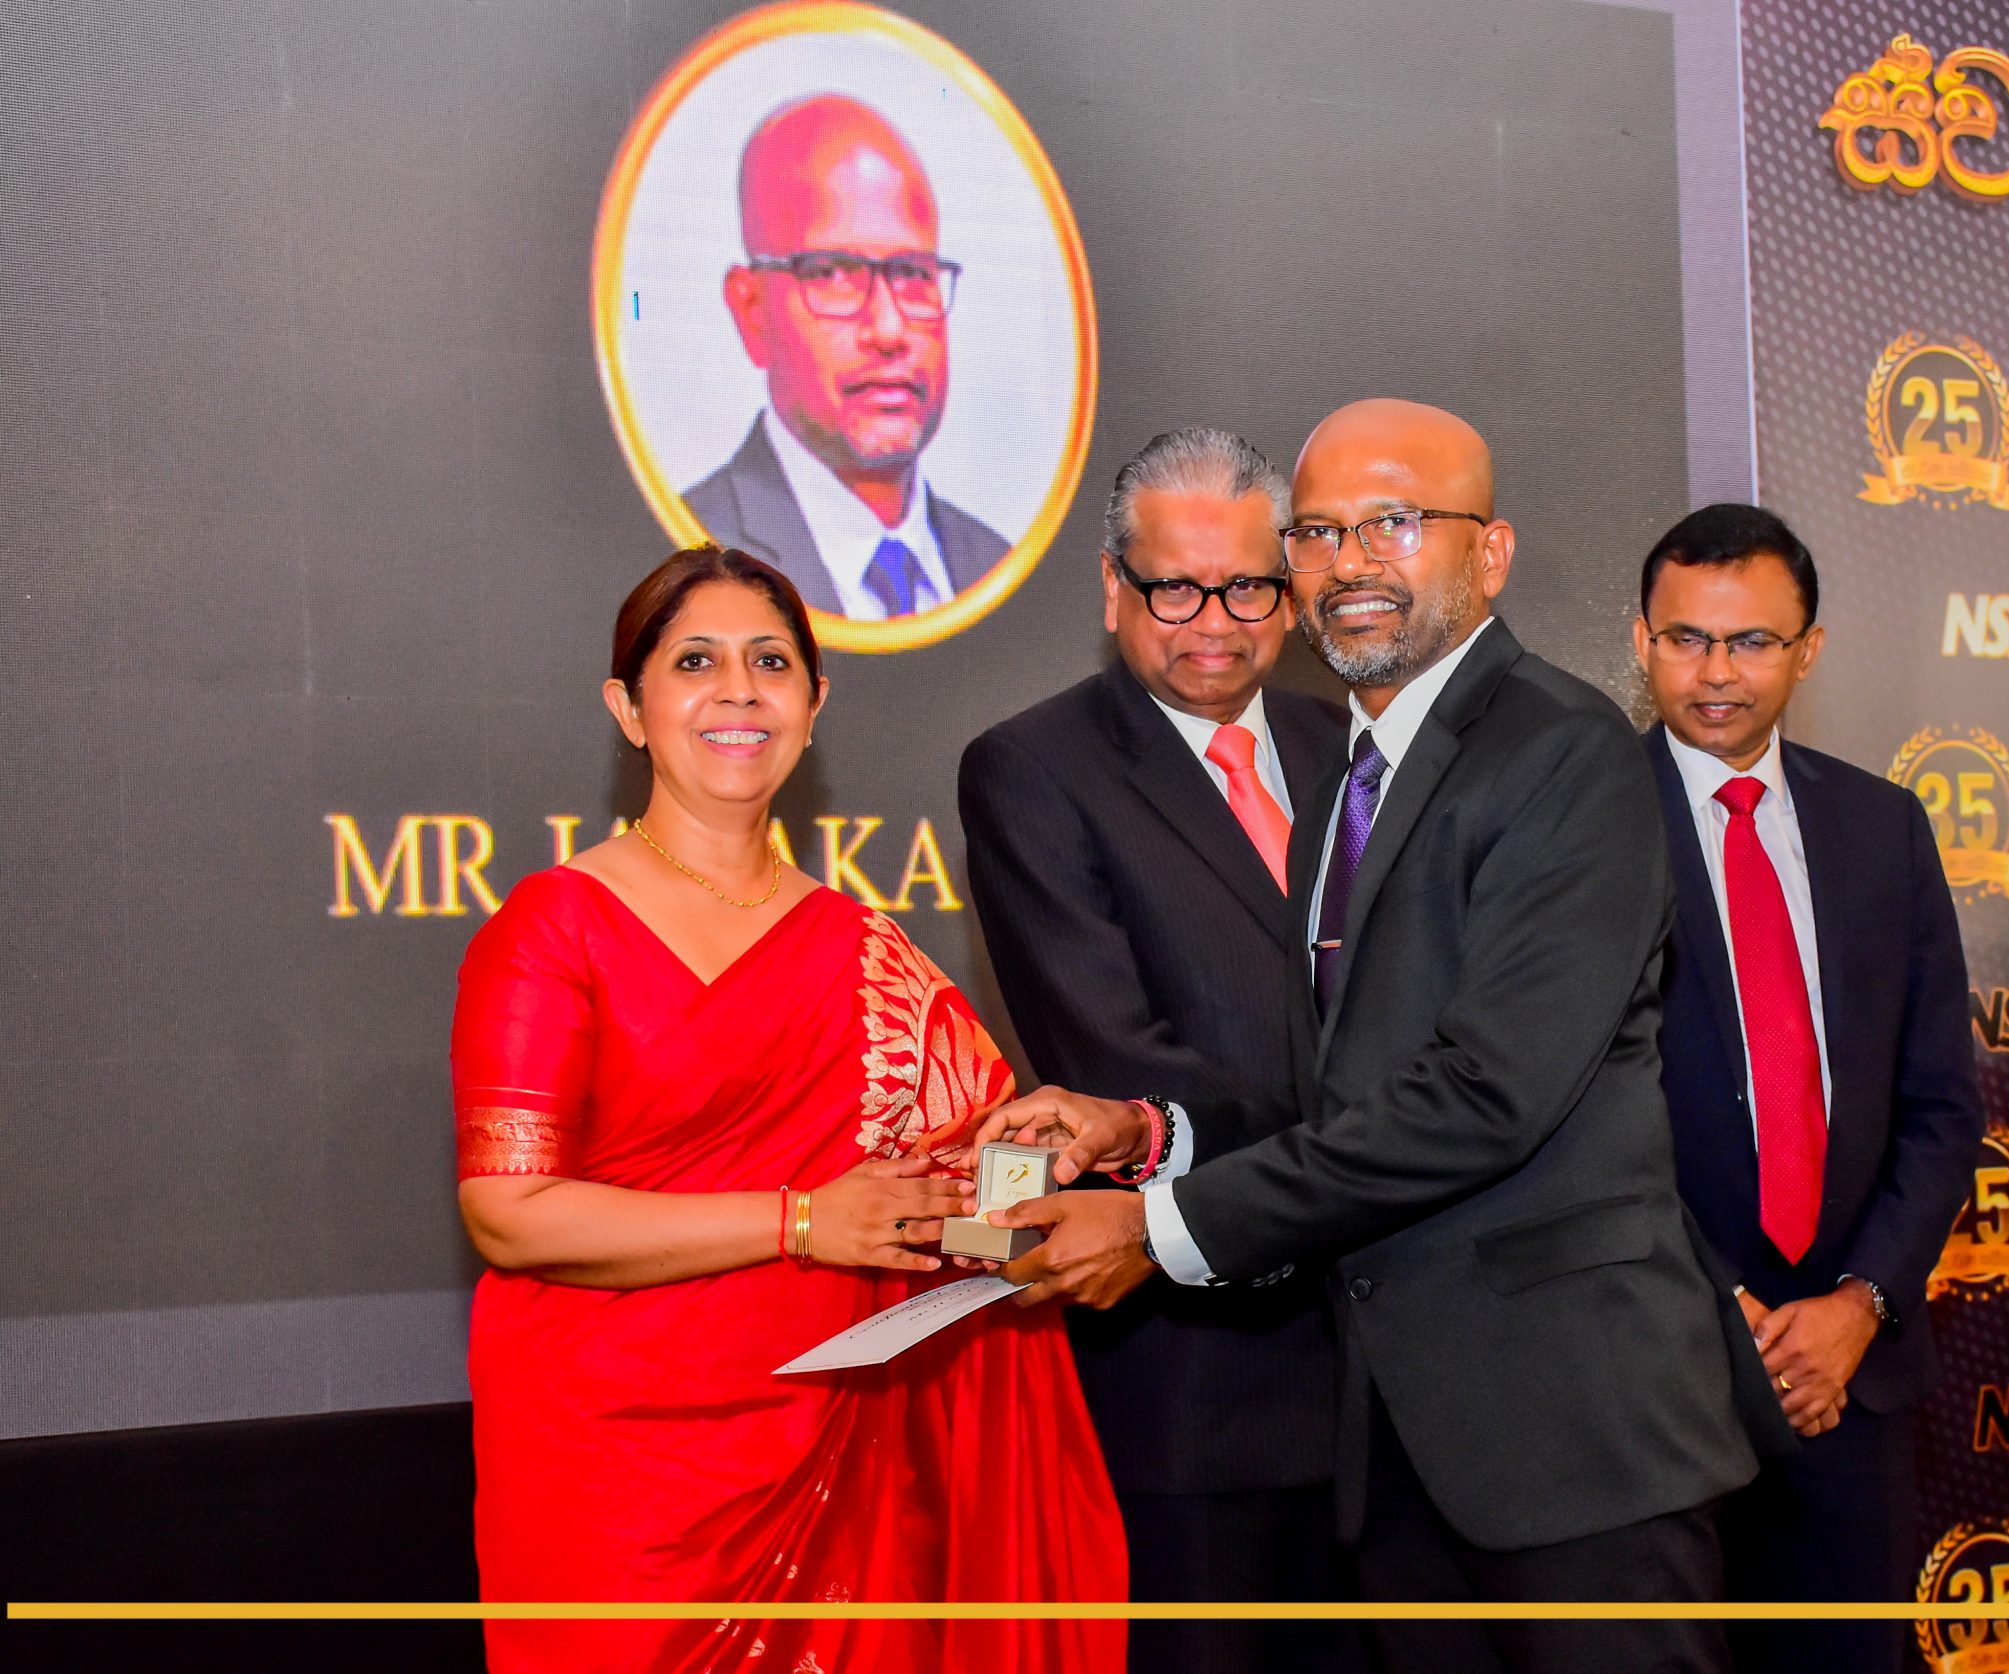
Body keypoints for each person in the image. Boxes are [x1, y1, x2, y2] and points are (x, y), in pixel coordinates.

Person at [973, 399, 1758, 1674]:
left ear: (1490, 553)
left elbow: (1484, 1096)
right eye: (1319, 532)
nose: (1348, 563)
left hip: (1571, 1439)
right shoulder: (1356, 775)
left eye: (1393, 523)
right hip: (1393, 1445)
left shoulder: (1562, 753)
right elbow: (1342, 1091)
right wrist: (1144, 1128)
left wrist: (1161, 1226)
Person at [450, 545, 1122, 1674]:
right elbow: (509, 1214)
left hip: (835, 1449)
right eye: (694, 662)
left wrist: (1032, 1169)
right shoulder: (553, 928)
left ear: (813, 706)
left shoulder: (864, 951)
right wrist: (802, 1220)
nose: (738, 691)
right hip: (615, 1475)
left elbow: (959, 1203)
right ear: (628, 708)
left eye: (771, 663)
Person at [957, 427, 1357, 1674]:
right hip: (1204, 1387)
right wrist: (1395, 1137)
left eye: (1248, 588)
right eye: (1174, 588)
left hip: (1404, 1385)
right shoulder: (1033, 771)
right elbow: (1121, 1062)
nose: (1214, 624)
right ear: (1111, 587)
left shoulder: (1356, 751)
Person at [1632, 504, 1982, 1674]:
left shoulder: (1883, 827)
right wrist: (1720, 1313)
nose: (1716, 673)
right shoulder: (1581, 827)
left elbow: (1942, 1107)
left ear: (1807, 650)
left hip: (1852, 1379)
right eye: (1687, 639)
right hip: (1657, 1373)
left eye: (1751, 642)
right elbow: (1575, 1118)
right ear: (1641, 642)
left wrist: (1858, 1306)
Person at [687, 96, 1008, 621]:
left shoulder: (999, 568)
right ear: (752, 313)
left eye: (913, 274)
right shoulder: (689, 556)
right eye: (833, 274)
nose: (889, 330)